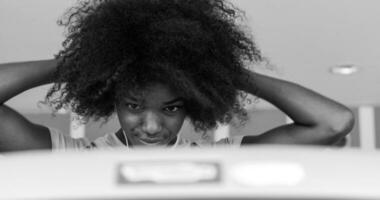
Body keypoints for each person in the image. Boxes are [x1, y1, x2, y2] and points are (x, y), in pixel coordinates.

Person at [0, 0, 354, 152]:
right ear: (113, 99)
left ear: (192, 105)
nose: (151, 126)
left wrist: (221, 70)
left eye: (170, 109)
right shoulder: (71, 157)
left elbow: (334, 122)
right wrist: (80, 64)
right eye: (134, 105)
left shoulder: (217, 159)